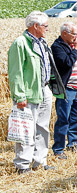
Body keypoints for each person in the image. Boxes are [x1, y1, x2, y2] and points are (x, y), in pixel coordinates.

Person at [8, 11, 65, 173]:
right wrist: (19, 95)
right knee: (26, 128)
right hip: (28, 92)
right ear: (35, 26)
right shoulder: (20, 44)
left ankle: (39, 161)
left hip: (44, 89)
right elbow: (15, 72)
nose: (47, 29)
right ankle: (23, 164)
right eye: (45, 26)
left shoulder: (42, 43)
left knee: (42, 127)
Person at [51, 21, 77, 158]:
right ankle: (59, 149)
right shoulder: (57, 47)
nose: (76, 37)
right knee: (63, 119)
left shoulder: (74, 46)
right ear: (64, 34)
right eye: (74, 34)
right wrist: (76, 50)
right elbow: (66, 63)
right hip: (66, 89)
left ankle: (73, 144)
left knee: (76, 118)